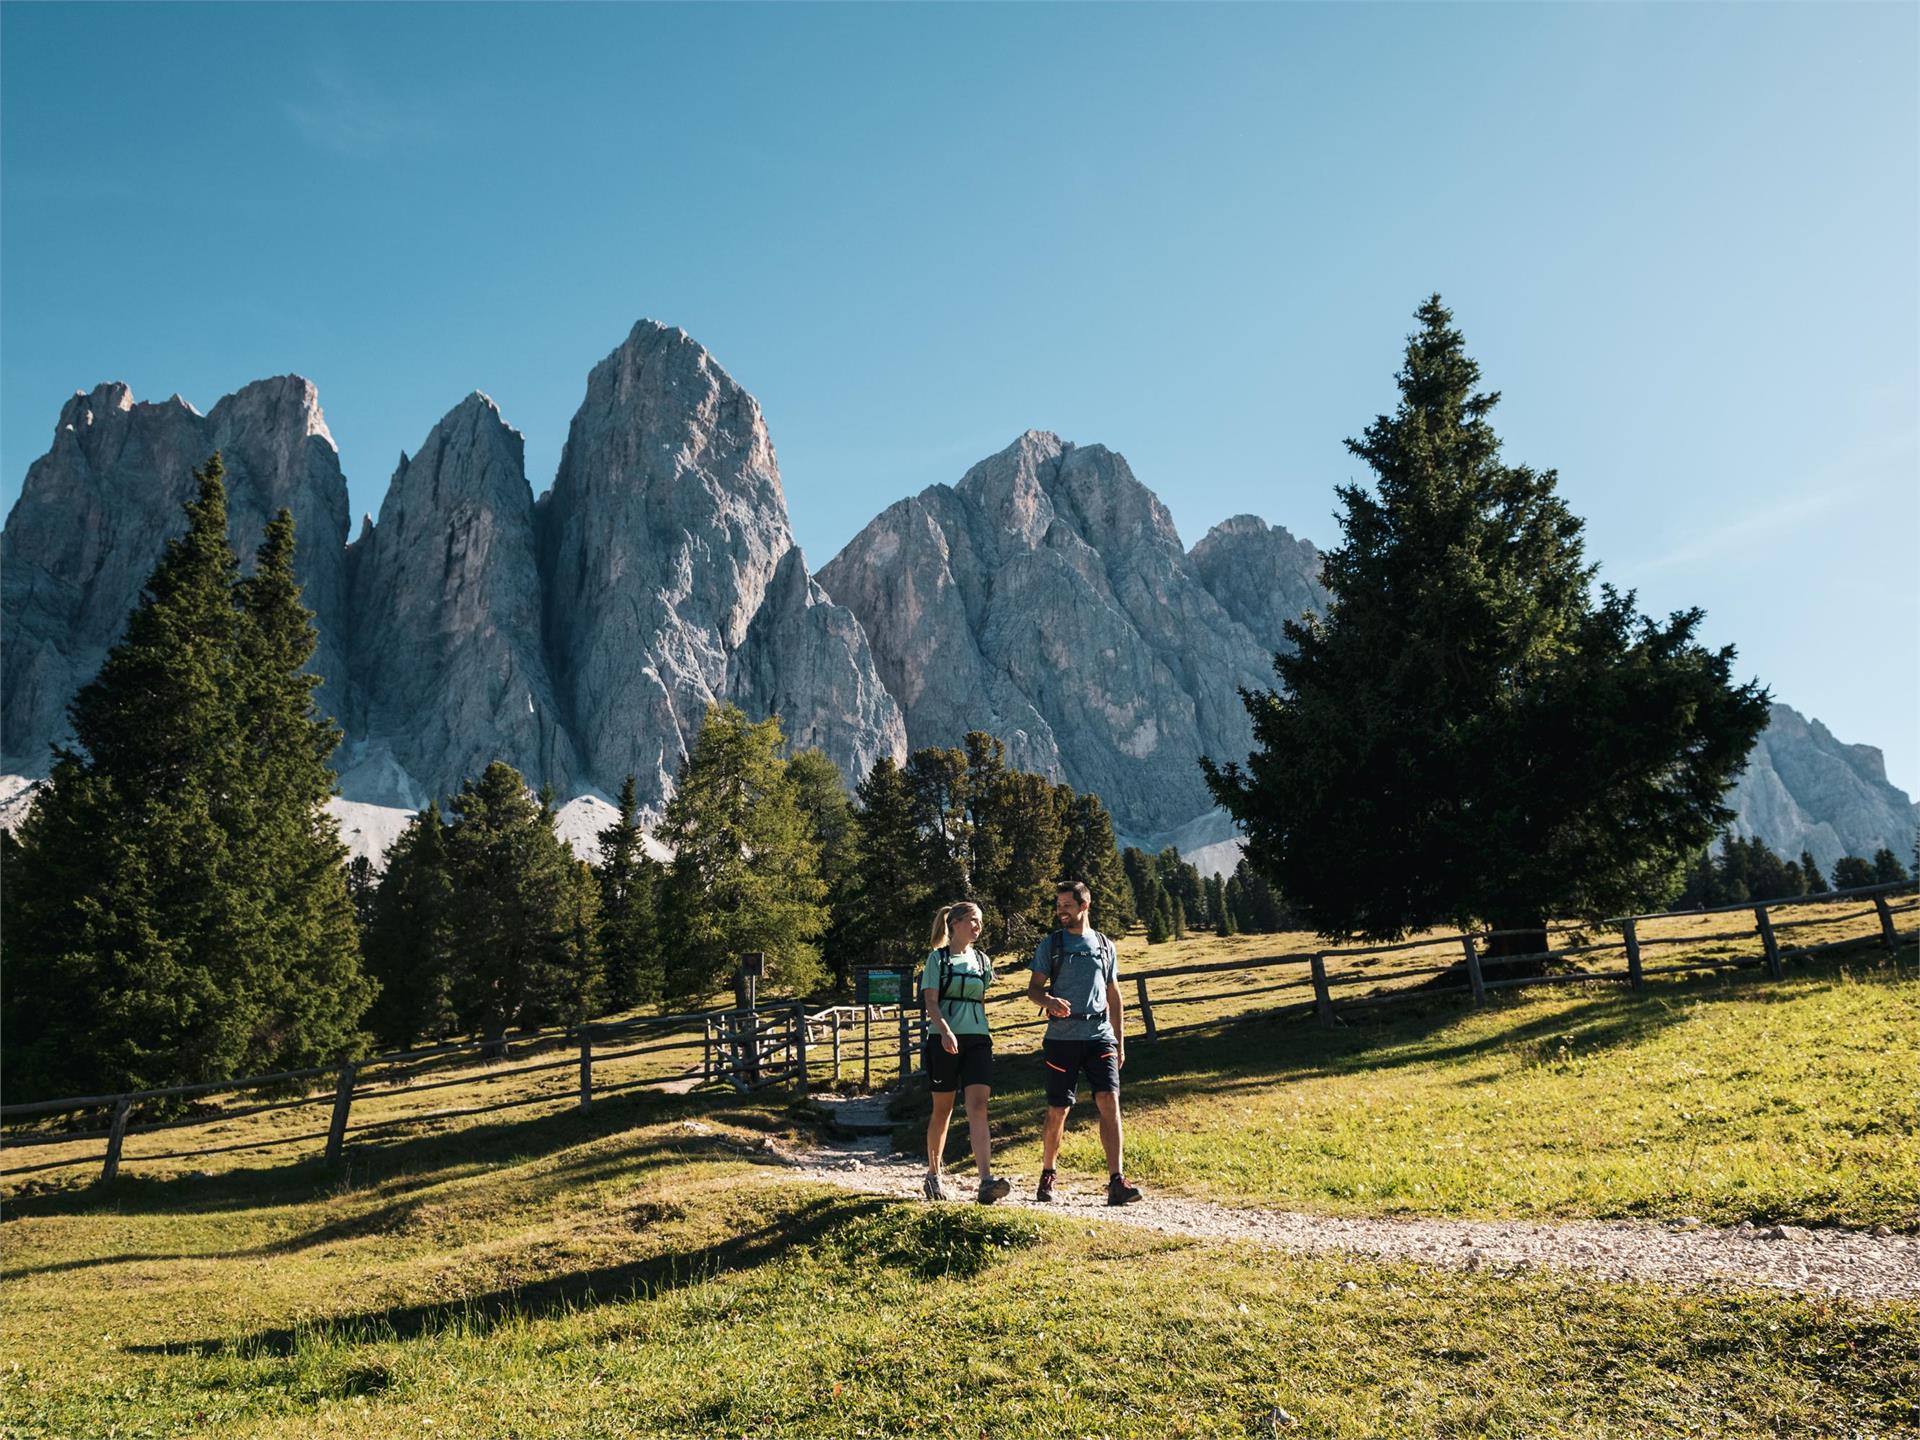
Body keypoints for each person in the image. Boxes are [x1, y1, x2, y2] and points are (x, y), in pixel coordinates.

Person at [1027, 880, 1142, 1205]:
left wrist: (1119, 1040)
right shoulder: (1052, 945)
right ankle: (1048, 1172)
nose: (1060, 911)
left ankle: (1117, 1181)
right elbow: (1033, 989)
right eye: (1058, 905)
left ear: (1084, 906)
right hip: (1061, 1039)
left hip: (1099, 1035)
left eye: (1066, 905)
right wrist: (1048, 1001)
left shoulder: (1105, 945)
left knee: (1109, 1101)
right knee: (1059, 1109)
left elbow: (1114, 994)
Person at [920, 900, 1012, 1204]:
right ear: (955, 923)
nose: (978, 926)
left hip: (977, 1039)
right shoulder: (938, 959)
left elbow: (980, 998)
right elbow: (931, 1002)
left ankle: (985, 1180)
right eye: (973, 920)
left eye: (980, 921)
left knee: (979, 1106)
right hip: (943, 1040)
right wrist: (945, 1031)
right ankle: (934, 1175)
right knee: (943, 1110)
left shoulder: (983, 961)